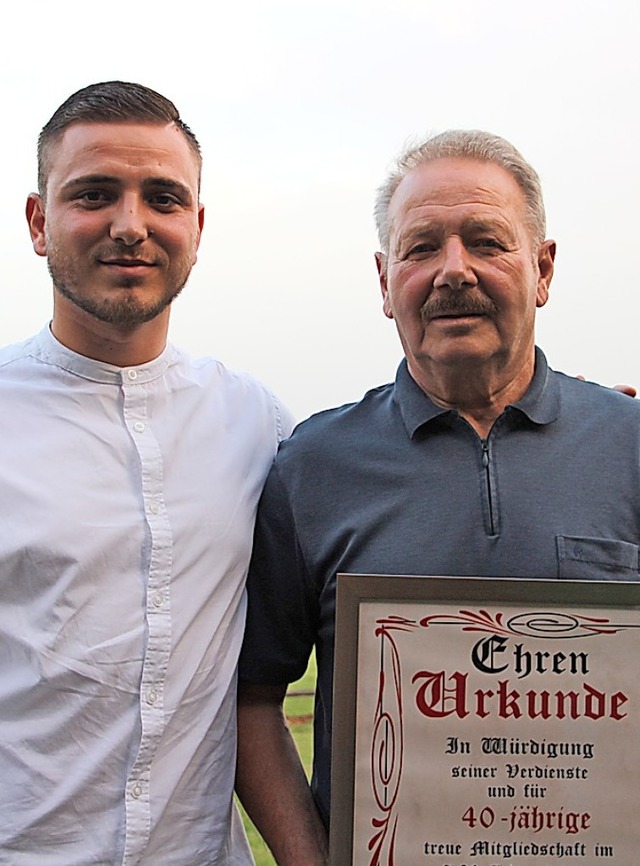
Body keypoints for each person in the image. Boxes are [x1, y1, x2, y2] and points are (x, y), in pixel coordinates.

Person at [236, 129, 640, 864]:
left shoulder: (631, 446)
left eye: (486, 241)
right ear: (386, 282)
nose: (454, 271)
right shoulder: (312, 468)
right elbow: (253, 698)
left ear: (543, 269)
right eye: (422, 248)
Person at [0, 81, 293, 865]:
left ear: (196, 226)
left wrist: (545, 425)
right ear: (38, 222)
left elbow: (392, 478)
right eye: (94, 194)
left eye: (162, 198)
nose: (130, 226)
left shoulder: (255, 422)